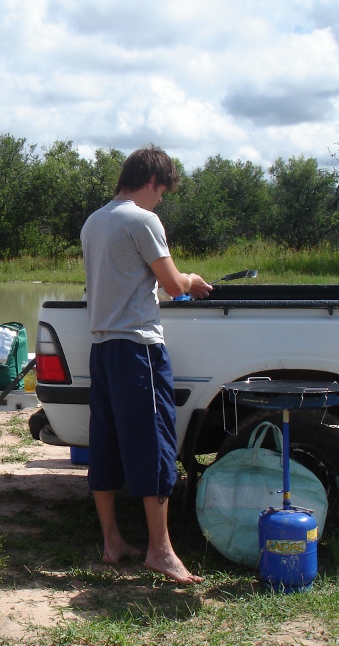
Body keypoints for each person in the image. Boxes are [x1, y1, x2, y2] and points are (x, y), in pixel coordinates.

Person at [80, 144, 211, 584]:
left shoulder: (94, 221)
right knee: (154, 445)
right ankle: (160, 551)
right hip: (138, 349)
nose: (160, 201)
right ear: (152, 182)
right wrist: (192, 280)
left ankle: (112, 542)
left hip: (102, 349)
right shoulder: (142, 220)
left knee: (106, 442)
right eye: (162, 193)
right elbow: (173, 285)